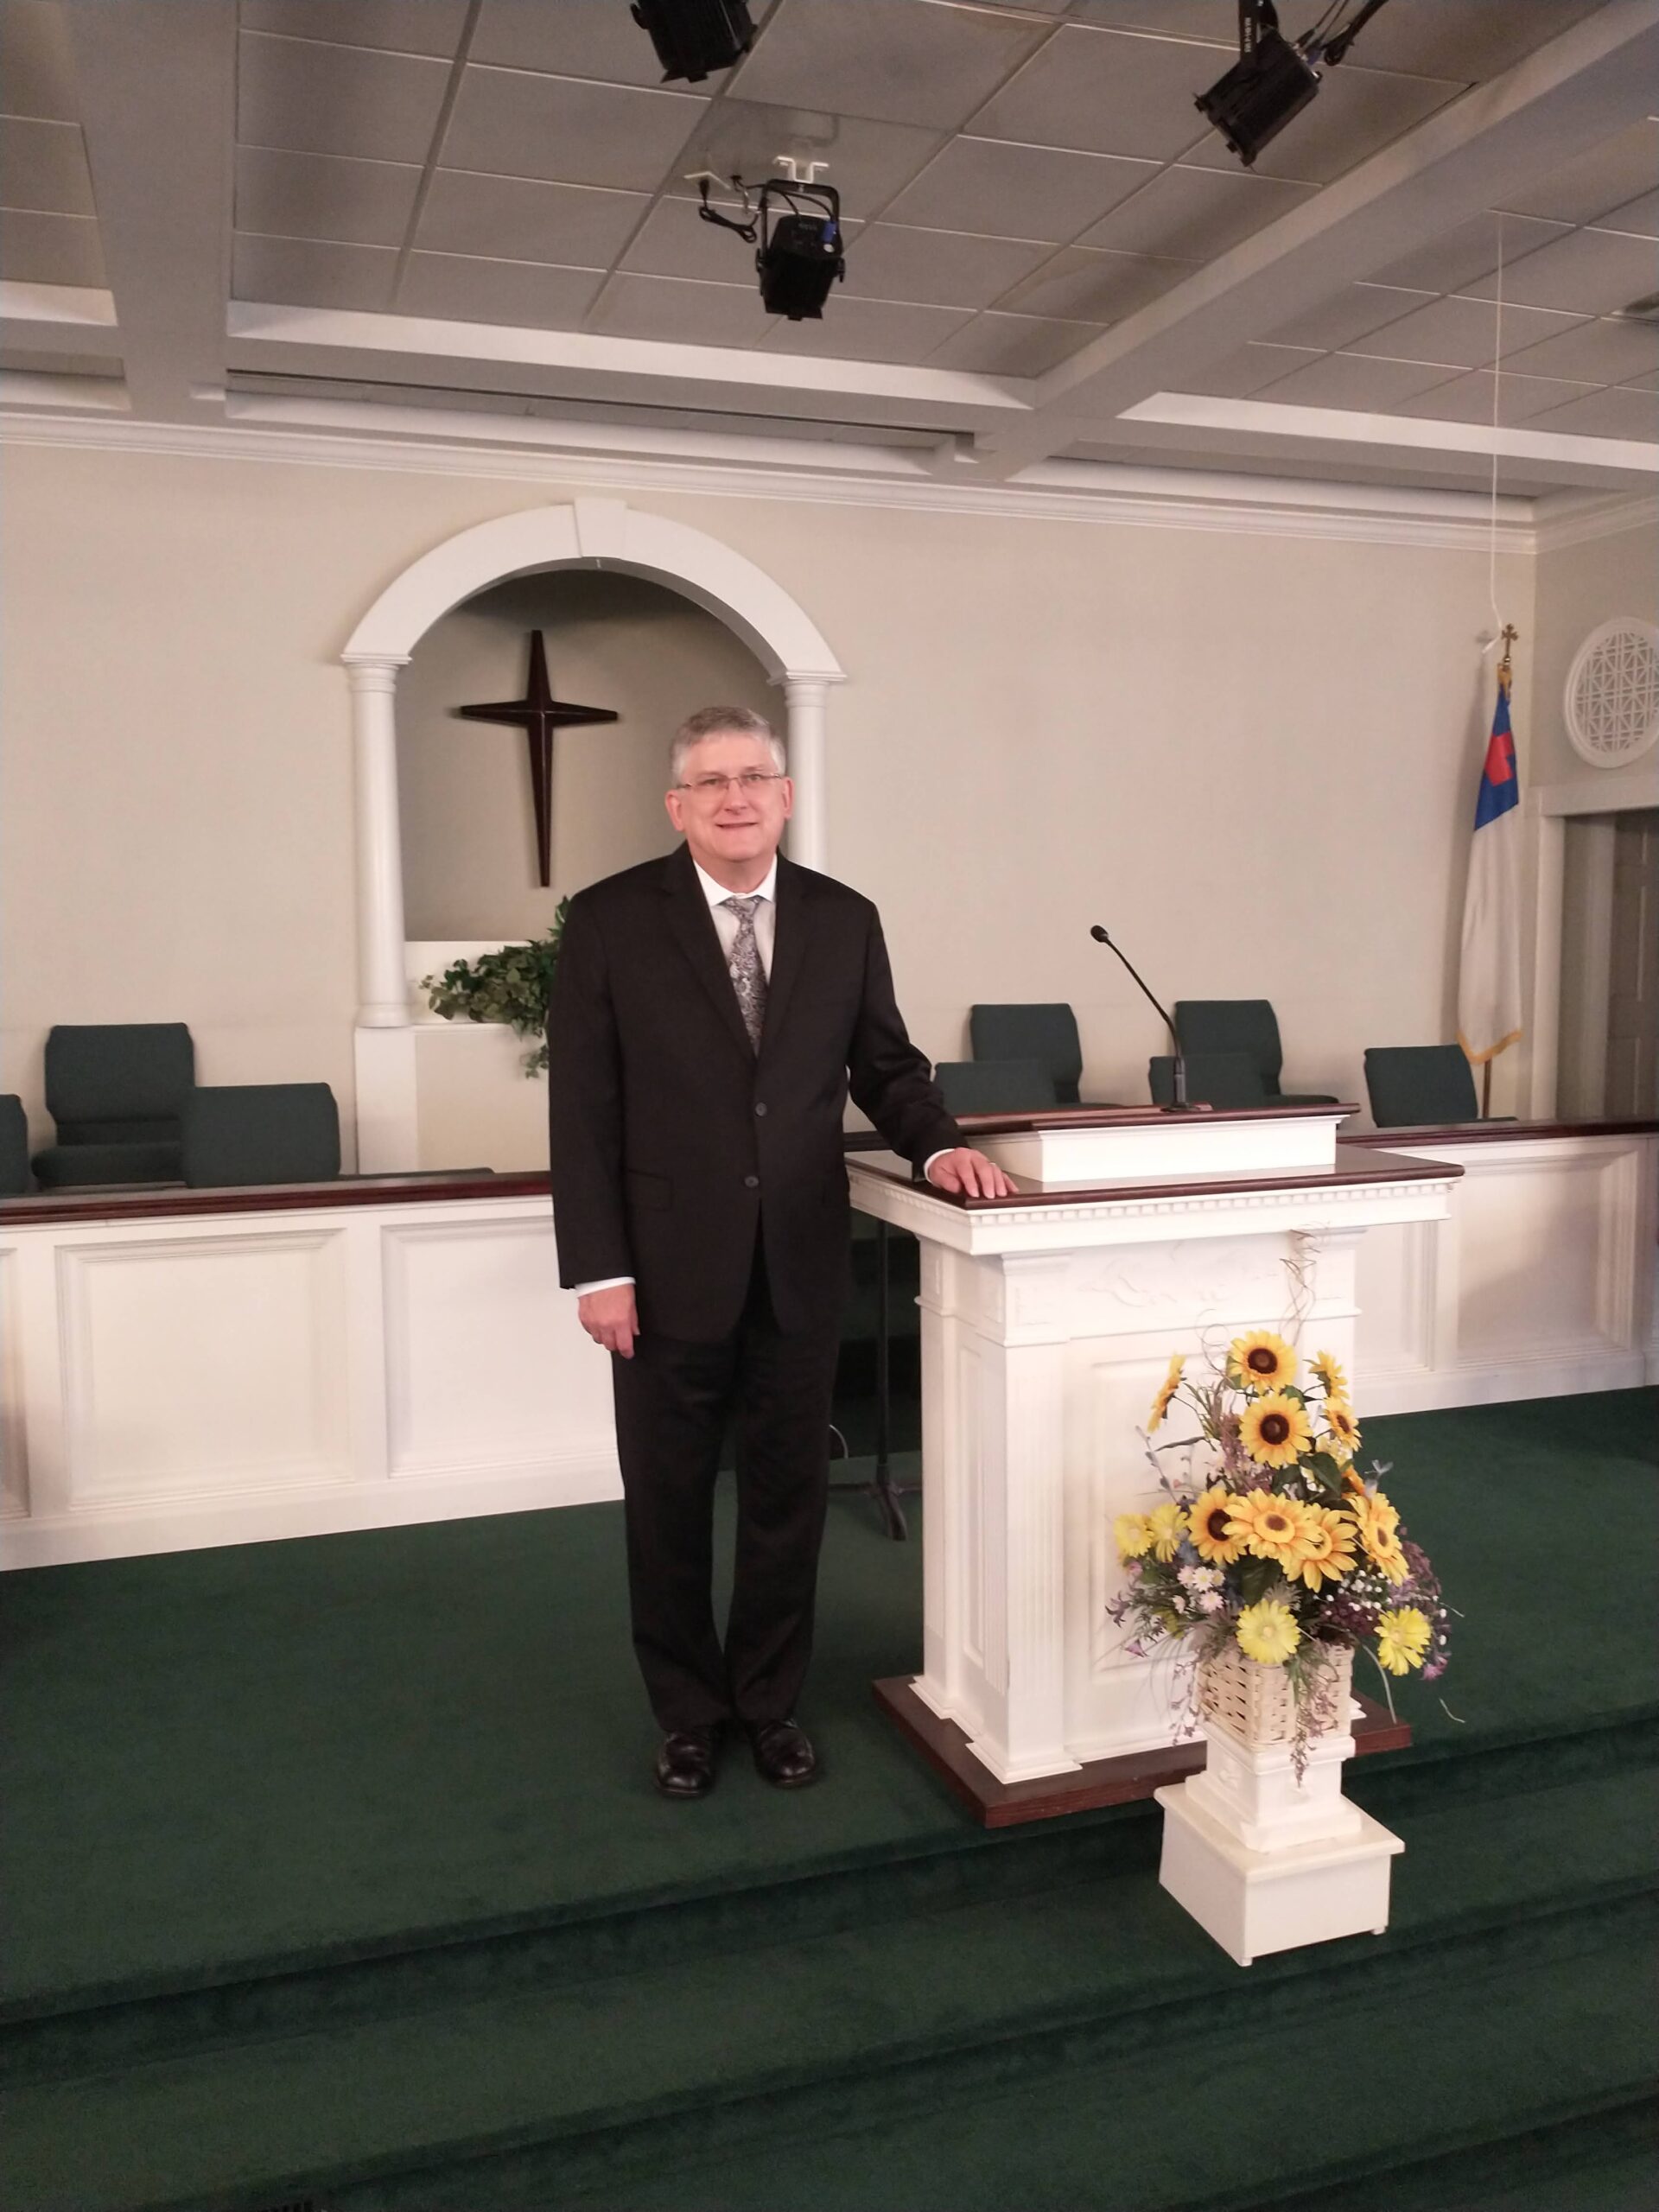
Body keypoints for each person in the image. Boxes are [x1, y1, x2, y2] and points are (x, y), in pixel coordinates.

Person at [547, 705, 1014, 1799]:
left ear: (786, 794)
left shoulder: (844, 920)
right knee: (664, 1504)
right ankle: (687, 1714)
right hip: (660, 1276)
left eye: (754, 775)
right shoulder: (613, 920)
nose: (734, 796)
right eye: (709, 782)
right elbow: (584, 1109)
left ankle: (766, 1702)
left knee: (785, 1501)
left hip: (800, 1262)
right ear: (679, 806)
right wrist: (598, 1268)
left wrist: (940, 1147)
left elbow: (887, 1067)